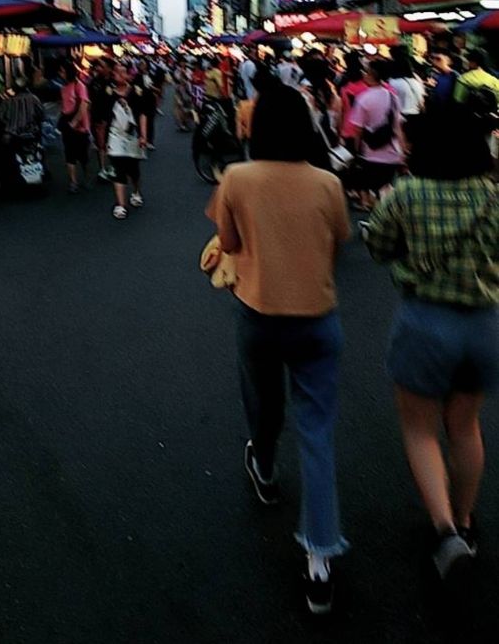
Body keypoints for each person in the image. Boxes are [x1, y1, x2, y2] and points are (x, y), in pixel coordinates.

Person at [206, 83, 350, 615]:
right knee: (317, 432)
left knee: (263, 404)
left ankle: (263, 469)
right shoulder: (328, 182)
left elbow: (231, 242)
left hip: (259, 311)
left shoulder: (237, 178)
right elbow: (340, 238)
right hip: (317, 317)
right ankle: (319, 560)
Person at [364, 105, 499, 583]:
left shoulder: (405, 194)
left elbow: (377, 247)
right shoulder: (492, 196)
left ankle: (444, 532)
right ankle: (466, 520)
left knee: (420, 429)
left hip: (424, 322)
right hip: (483, 325)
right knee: (465, 425)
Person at [349, 57, 404, 210]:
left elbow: (358, 130)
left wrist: (356, 151)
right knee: (385, 188)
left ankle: (369, 207)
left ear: (371, 74)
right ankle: (386, 212)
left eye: (366, 71)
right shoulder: (393, 97)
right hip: (392, 153)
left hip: (371, 153)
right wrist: (403, 151)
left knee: (370, 186)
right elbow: (397, 127)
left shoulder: (363, 99)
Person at [105, 62, 148, 220]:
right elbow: (104, 117)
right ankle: (121, 204)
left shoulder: (136, 92)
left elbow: (142, 114)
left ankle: (136, 191)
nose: (120, 76)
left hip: (132, 135)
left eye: (124, 73)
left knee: (133, 168)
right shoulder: (109, 93)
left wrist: (143, 135)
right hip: (115, 135)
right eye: (117, 73)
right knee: (118, 168)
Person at [58, 61, 91, 193]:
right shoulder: (63, 88)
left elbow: (84, 105)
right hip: (67, 123)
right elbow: (64, 106)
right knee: (69, 153)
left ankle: (86, 178)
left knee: (83, 155)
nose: (60, 73)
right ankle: (73, 181)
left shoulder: (79, 86)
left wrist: (75, 122)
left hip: (80, 126)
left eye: (62, 71)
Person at [88, 58, 115, 179]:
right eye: (97, 66)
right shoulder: (94, 82)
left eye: (102, 66)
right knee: (100, 143)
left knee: (112, 143)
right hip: (97, 117)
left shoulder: (114, 82)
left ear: (109, 68)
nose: (98, 68)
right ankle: (103, 168)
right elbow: (89, 101)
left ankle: (113, 167)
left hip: (112, 118)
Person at [387, 46, 425, 133]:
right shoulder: (416, 80)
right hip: (416, 118)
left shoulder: (392, 83)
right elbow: (422, 103)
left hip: (401, 120)